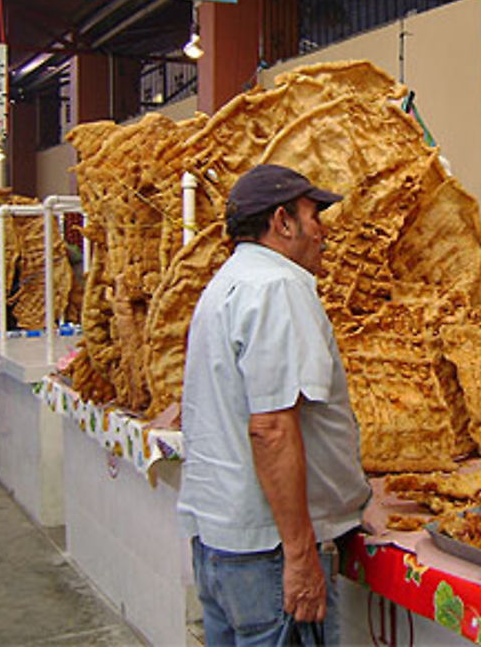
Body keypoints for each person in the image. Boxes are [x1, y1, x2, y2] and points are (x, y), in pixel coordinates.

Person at [177, 164, 371, 647]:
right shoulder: (278, 288)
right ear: (282, 222)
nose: (323, 232)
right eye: (314, 216)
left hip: (222, 546)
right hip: (267, 556)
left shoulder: (226, 283)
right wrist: (302, 554)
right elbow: (271, 428)